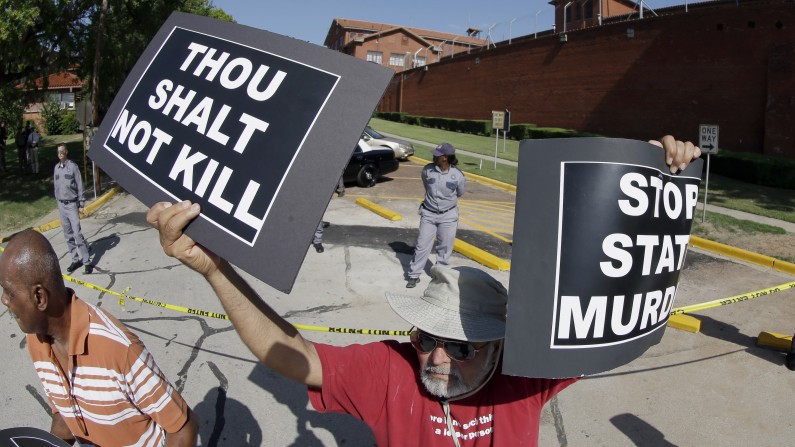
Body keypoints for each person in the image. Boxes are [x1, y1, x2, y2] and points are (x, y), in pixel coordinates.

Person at [146, 137, 699, 447]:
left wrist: (655, 176)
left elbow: (609, 300)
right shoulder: (390, 371)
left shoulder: (527, 373)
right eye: (427, 336)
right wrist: (214, 269)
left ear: (501, 348)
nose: (436, 357)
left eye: (462, 346)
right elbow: (287, 355)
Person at [0, 230, 198, 446]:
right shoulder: (36, 341)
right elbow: (66, 413)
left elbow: (182, 427)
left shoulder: (118, 349)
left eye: (9, 292)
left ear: (40, 297)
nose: (4, 300)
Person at [406, 142, 467, 288]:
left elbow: (460, 192)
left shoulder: (457, 175)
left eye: (437, 155)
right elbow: (427, 186)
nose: (434, 156)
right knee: (422, 245)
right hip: (428, 214)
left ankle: (439, 275)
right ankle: (414, 275)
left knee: (445, 247)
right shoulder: (427, 170)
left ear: (445, 158)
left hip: (448, 216)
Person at [54, 144, 92, 274]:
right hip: (61, 205)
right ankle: (75, 259)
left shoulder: (73, 167)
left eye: (62, 151)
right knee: (68, 235)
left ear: (66, 152)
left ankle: (87, 261)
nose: (60, 154)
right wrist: (58, 201)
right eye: (58, 152)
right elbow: (56, 186)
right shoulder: (56, 168)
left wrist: (81, 204)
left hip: (72, 205)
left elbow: (80, 186)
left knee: (77, 234)